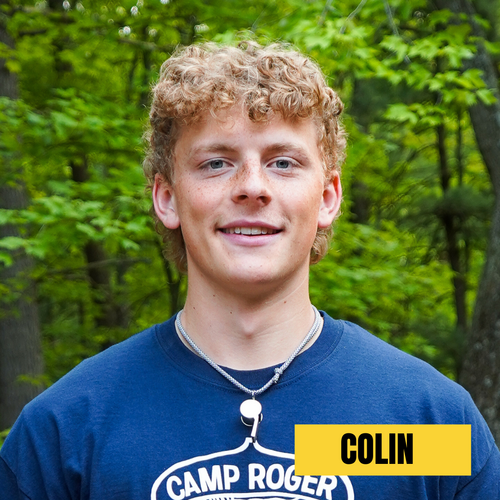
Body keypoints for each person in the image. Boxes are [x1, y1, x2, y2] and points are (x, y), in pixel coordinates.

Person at [0, 41, 499, 500]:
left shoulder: (425, 423)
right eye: (216, 163)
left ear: (328, 197)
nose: (252, 187)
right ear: (167, 198)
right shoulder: (67, 432)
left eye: (283, 163)